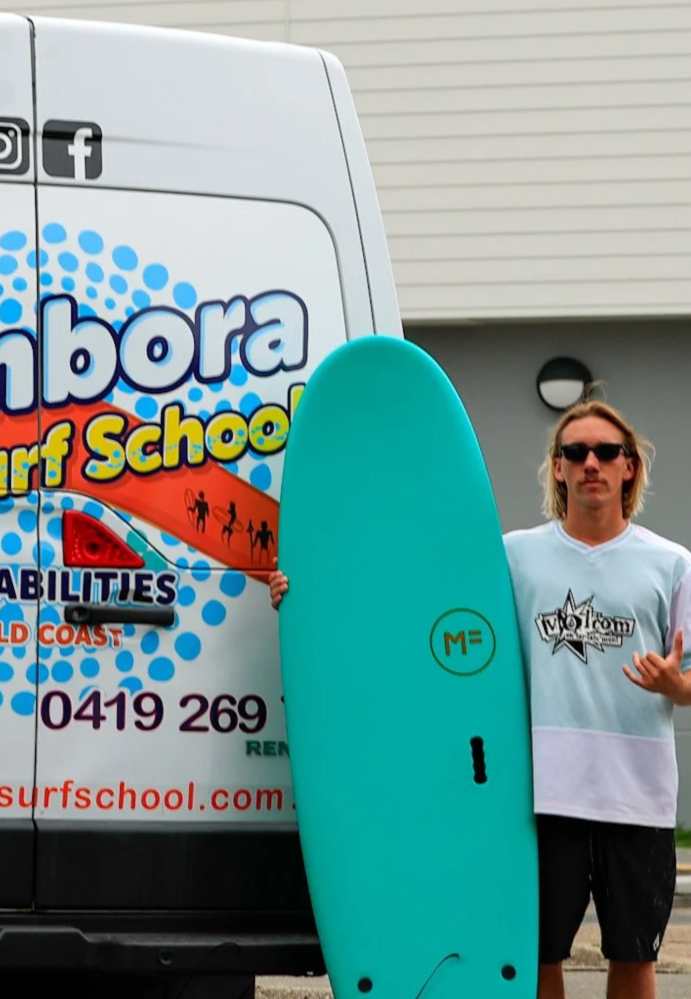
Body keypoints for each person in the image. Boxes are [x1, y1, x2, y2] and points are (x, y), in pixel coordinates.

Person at [268, 400, 691, 999]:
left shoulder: (672, 564)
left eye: (606, 453)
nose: (590, 463)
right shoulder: (515, 556)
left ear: (630, 468)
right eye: (576, 452)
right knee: (536, 959)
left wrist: (676, 686)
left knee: (634, 961)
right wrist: (309, 586)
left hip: (637, 800)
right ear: (559, 468)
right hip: (541, 798)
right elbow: (419, 590)